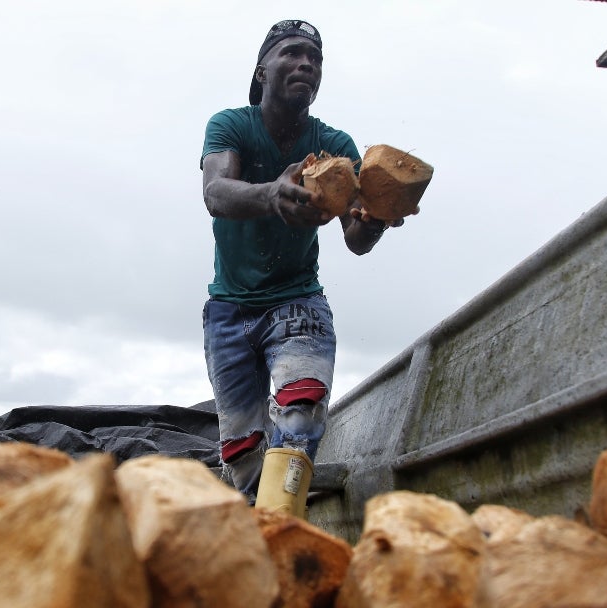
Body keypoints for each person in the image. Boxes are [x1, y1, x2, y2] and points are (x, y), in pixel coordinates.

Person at [200, 19, 405, 513]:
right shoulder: (230, 125)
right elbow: (216, 193)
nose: (306, 64)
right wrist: (272, 193)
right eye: (291, 54)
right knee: (243, 455)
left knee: (301, 413)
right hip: (229, 310)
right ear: (261, 71)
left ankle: (281, 533)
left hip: (297, 300)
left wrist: (378, 214)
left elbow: (355, 240)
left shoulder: (335, 145)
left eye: (314, 59)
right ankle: (258, 535)